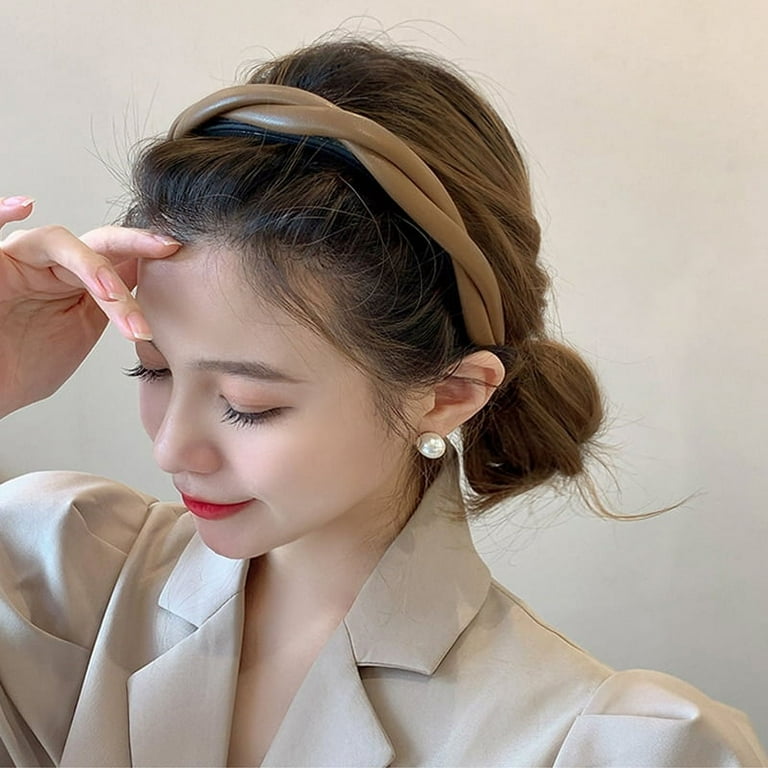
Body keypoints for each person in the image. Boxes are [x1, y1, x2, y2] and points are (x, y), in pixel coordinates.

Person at [0, 38, 765, 768]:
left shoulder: (596, 745)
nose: (171, 448)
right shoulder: (55, 580)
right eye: (153, 371)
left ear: (448, 395)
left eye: (246, 403)